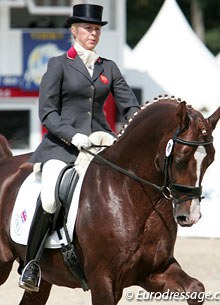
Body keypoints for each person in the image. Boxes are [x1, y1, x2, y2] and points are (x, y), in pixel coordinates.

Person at [19, 3, 140, 293]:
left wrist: (138, 123)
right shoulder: (58, 65)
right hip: (61, 148)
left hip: (99, 147)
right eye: (88, 28)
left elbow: (130, 106)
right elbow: (47, 112)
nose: (93, 33)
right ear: (74, 31)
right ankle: (33, 264)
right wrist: (72, 136)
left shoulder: (107, 67)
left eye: (97, 29)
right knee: (50, 197)